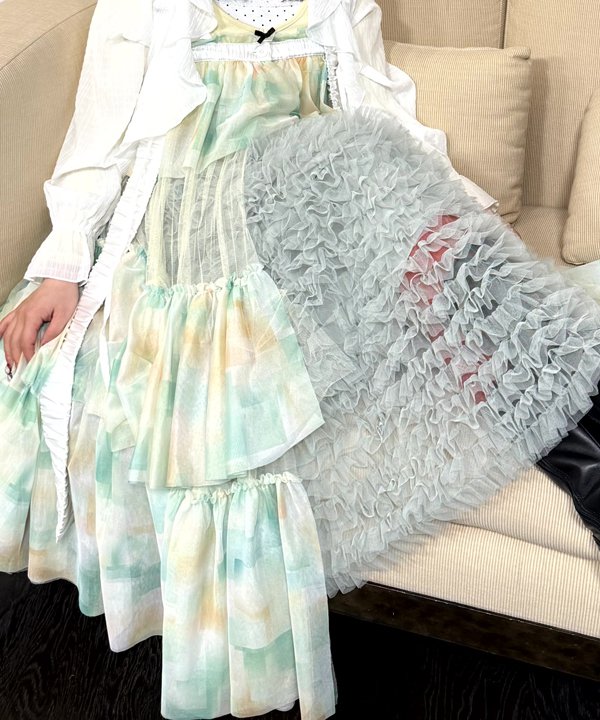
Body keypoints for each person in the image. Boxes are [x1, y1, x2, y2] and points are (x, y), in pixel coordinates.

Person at [1, 0, 600, 718]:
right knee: (361, 163)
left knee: (414, 232)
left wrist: (450, 223)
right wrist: (65, 262)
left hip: (313, 219)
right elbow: (98, 128)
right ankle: (586, 443)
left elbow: (381, 111)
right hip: (199, 212)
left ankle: (584, 453)